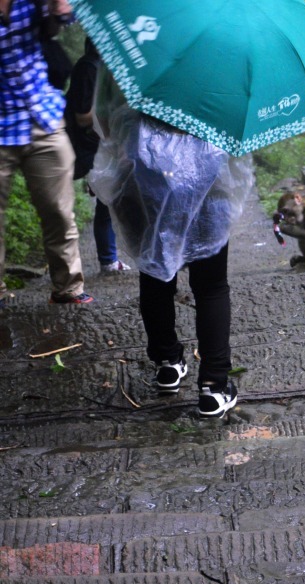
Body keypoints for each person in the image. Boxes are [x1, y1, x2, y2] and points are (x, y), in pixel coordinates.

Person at [90, 68, 253, 418]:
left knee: (155, 275)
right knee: (210, 287)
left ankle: (167, 361)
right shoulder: (216, 64)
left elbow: (104, 119)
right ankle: (214, 386)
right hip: (207, 188)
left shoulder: (133, 52)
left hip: (144, 182)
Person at [0, 0, 93, 305]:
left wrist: (58, 7)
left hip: (42, 117)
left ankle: (68, 289)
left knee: (58, 212)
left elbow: (64, 17)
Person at [64, 38, 129, 274]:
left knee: (108, 198)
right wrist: (113, 113)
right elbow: (83, 116)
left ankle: (109, 258)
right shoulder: (88, 68)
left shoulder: (98, 68)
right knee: (105, 199)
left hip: (100, 142)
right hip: (91, 145)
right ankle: (108, 259)